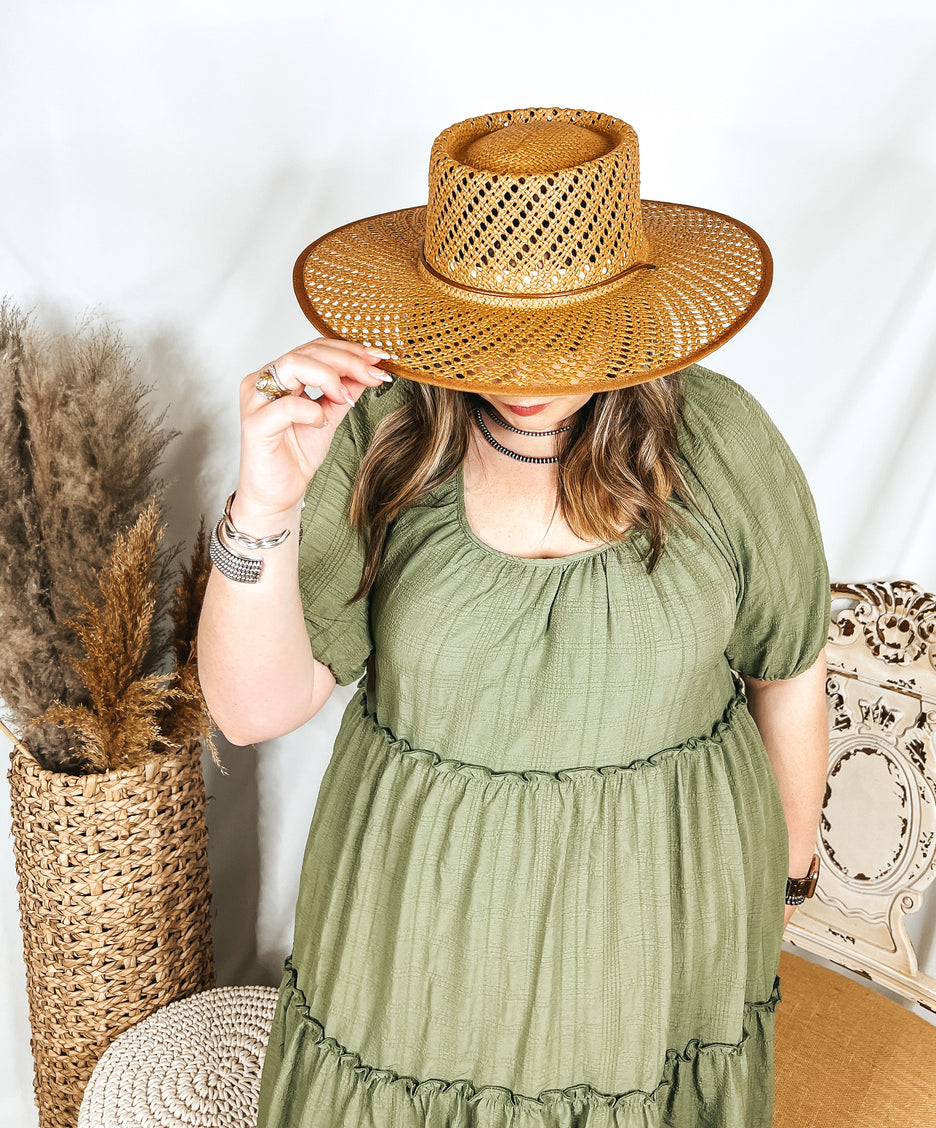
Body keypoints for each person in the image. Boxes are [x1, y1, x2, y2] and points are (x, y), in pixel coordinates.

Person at [197, 106, 830, 1128]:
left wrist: (784, 887)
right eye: (494, 332)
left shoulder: (724, 442)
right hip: (423, 945)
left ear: (624, 305)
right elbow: (249, 709)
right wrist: (265, 502)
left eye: (555, 333)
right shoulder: (381, 439)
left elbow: (788, 669)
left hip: (660, 938)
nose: (523, 373)